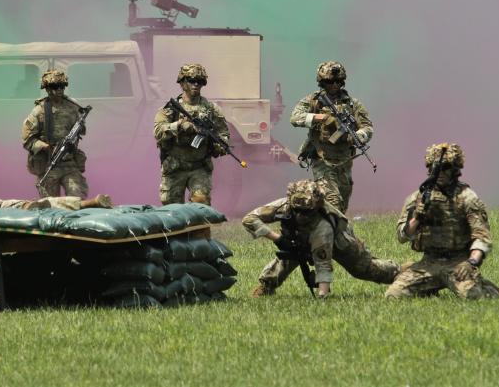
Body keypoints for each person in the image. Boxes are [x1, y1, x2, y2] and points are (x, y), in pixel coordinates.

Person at [385, 143, 499, 299]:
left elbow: (482, 237)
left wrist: (471, 262)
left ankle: (489, 289)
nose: (440, 172)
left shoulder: (467, 197)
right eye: (436, 168)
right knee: (393, 295)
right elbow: (403, 236)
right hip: (428, 262)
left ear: (455, 169)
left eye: (446, 167)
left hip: (458, 263)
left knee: (473, 296)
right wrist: (417, 217)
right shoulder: (418, 198)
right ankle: (428, 289)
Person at [243, 179, 398, 298]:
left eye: (306, 212)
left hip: (338, 243)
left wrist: (322, 296)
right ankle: (267, 286)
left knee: (363, 269)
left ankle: (398, 273)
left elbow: (323, 264)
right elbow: (250, 219)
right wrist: (277, 238)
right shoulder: (284, 206)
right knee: (290, 256)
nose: (300, 216)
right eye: (297, 211)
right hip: (299, 240)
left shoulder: (323, 227)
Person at [289, 61, 373, 213]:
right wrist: (321, 117)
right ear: (322, 82)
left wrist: (359, 136)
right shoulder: (313, 101)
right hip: (322, 159)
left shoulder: (353, 104)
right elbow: (295, 118)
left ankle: (332, 231)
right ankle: (328, 234)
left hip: (344, 161)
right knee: (332, 200)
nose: (334, 85)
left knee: (342, 203)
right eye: (329, 82)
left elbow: (367, 127)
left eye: (338, 81)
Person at [153, 64, 230, 205]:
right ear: (182, 83)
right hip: (175, 167)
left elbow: (223, 132)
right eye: (191, 80)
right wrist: (180, 126)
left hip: (199, 167)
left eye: (200, 81)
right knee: (172, 210)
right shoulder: (171, 109)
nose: (196, 84)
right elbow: (158, 131)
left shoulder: (211, 109)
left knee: (201, 205)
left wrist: (220, 145)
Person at [21, 70, 90, 198]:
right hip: (49, 164)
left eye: (62, 86)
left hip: (69, 163)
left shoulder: (73, 108)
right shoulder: (39, 111)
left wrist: (76, 133)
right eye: (55, 87)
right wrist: (46, 147)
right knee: (51, 206)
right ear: (47, 89)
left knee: (77, 198)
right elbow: (28, 140)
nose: (59, 90)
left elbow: (82, 131)